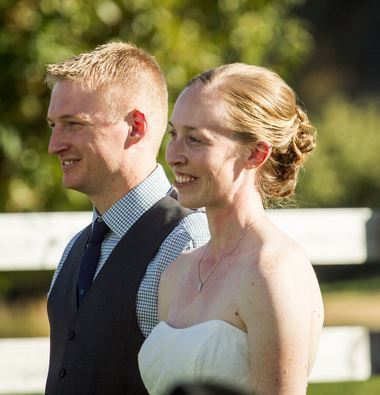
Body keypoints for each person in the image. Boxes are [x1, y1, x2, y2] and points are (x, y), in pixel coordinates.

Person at [138, 63, 324, 395]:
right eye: (173, 134)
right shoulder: (177, 272)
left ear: (255, 153)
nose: (173, 155)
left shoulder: (274, 270)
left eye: (195, 139)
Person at [44, 42, 209, 395]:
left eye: (73, 124)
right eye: (53, 125)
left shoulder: (188, 241)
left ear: (135, 127)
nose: (54, 145)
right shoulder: (77, 247)